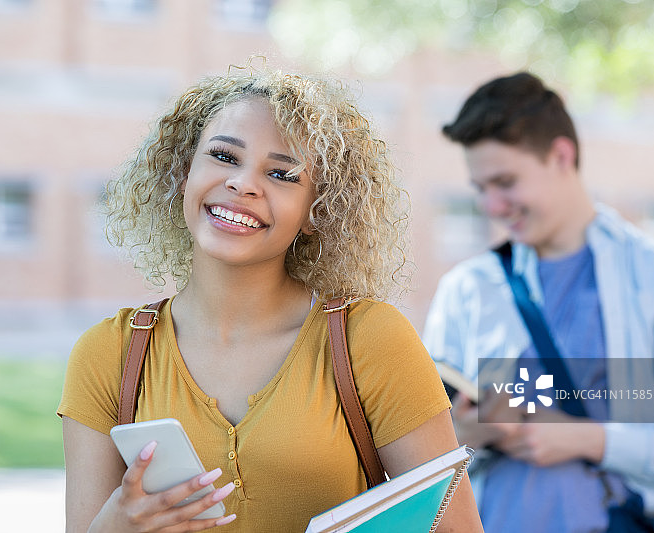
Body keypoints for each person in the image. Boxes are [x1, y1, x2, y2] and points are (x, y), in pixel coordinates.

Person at [58, 67, 484, 532]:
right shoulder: (109, 354)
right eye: (224, 156)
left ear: (316, 210)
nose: (243, 184)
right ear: (184, 173)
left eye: (282, 174)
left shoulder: (370, 339)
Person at [422, 71, 654, 532]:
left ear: (561, 156)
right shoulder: (465, 290)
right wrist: (469, 434)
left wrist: (589, 440)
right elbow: (423, 463)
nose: (492, 206)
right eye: (480, 189)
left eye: (505, 182)